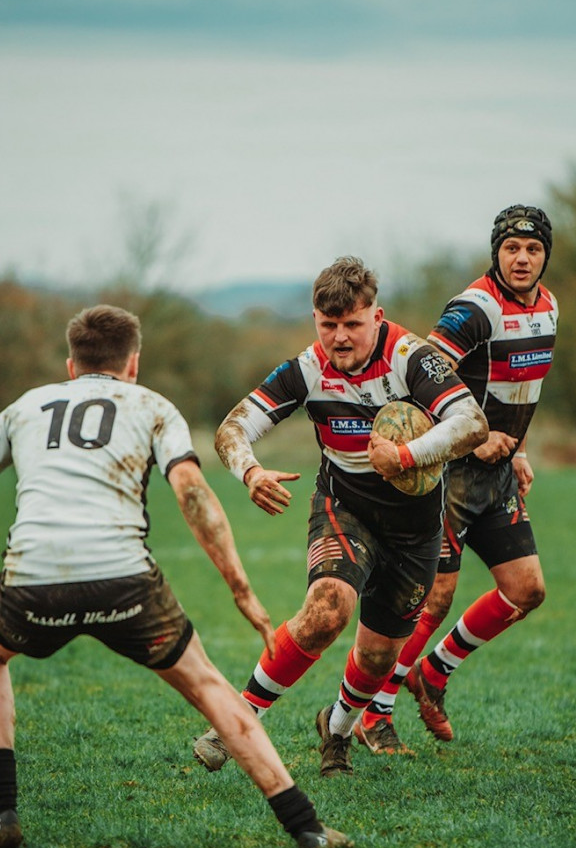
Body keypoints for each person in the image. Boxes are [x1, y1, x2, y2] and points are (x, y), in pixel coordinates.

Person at [0, 304, 351, 848]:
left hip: (31, 580)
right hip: (125, 585)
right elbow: (192, 494)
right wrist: (242, 592)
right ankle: (307, 827)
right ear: (133, 363)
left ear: (70, 364)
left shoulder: (25, 407)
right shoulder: (153, 406)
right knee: (208, 685)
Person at [192, 256, 488, 777]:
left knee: (378, 657)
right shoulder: (307, 368)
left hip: (415, 529)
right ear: (315, 321)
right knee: (328, 608)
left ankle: (338, 730)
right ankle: (237, 722)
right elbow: (232, 428)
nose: (340, 337)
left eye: (353, 323)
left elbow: (472, 424)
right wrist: (251, 472)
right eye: (329, 325)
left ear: (377, 315)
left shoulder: (410, 357)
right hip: (344, 507)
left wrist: (406, 456)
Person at [354, 205, 558, 747]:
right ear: (496, 252)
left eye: (533, 249)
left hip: (497, 476)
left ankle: (435, 670)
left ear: (545, 257)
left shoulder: (549, 309)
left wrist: (515, 449)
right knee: (433, 598)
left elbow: (521, 388)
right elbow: (424, 369)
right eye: (512, 248)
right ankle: (376, 711)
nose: (521, 258)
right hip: (453, 474)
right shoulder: (474, 308)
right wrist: (477, 433)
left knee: (526, 589)